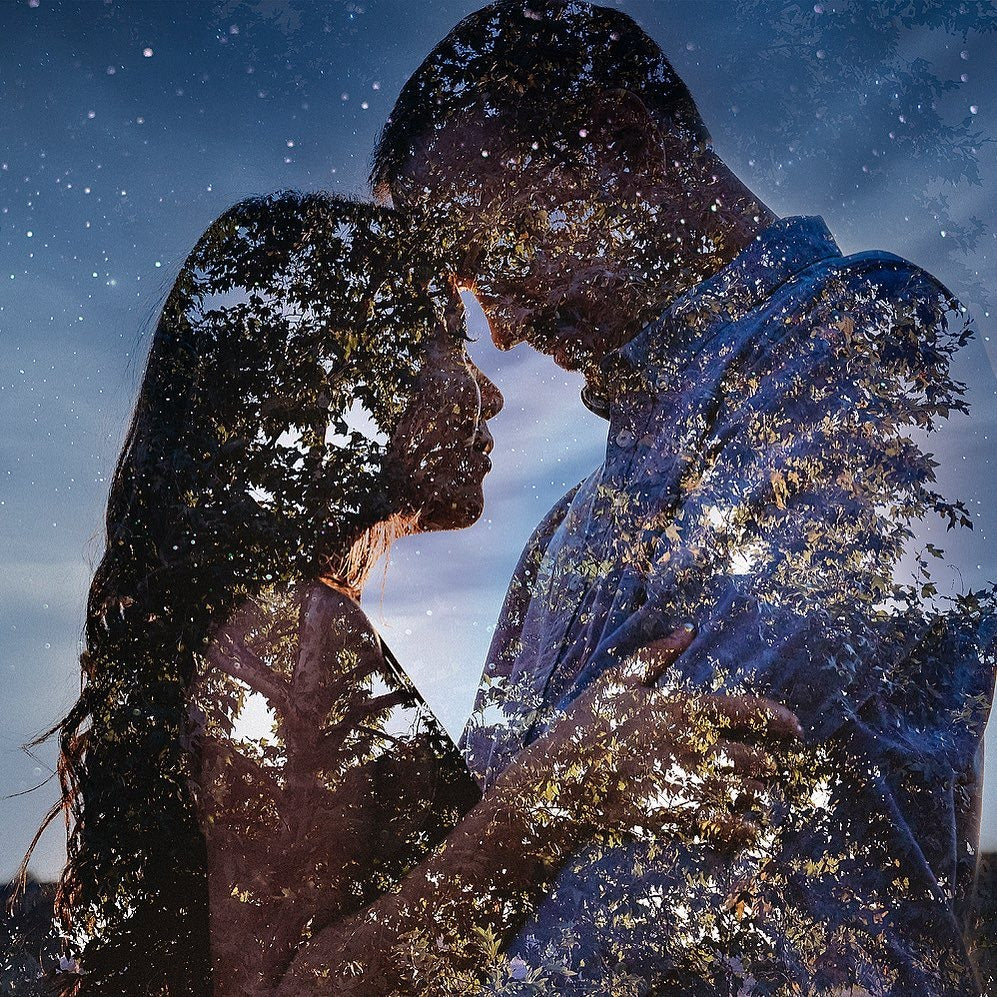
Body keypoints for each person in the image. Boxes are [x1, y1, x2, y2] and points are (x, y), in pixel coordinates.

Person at [20, 190, 802, 997]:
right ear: (337, 381)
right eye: (450, 347)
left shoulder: (263, 622)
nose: (488, 393)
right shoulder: (291, 630)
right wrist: (563, 787)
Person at [371, 2, 997, 993]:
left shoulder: (870, 334)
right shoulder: (555, 537)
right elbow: (475, 860)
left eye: (505, 251)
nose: (502, 328)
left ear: (625, 148)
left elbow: (689, 813)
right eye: (469, 287)